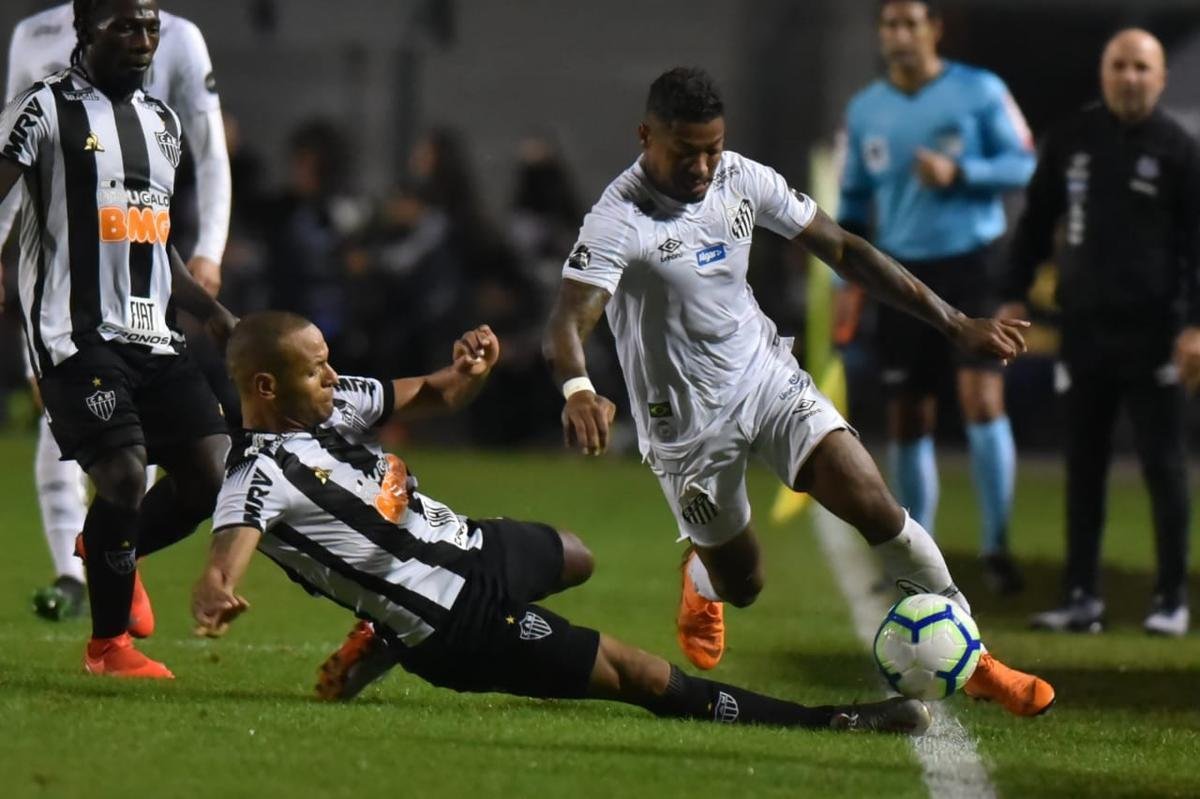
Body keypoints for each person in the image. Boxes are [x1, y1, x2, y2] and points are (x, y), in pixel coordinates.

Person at [542, 66, 1054, 717]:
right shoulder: (619, 217)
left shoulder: (742, 178)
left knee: (875, 504)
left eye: (713, 147)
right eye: (685, 150)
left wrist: (956, 322)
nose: (703, 165)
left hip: (767, 380)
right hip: (687, 427)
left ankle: (976, 658)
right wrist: (579, 387)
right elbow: (566, 319)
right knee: (744, 582)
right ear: (647, 135)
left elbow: (843, 248)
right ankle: (703, 576)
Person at [190, 310, 931, 736]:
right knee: (638, 675)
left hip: (469, 543)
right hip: (455, 620)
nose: (332, 374)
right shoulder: (258, 477)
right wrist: (217, 591)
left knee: (575, 555)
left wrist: (469, 371)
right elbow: (229, 554)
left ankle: (377, 633)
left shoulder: (334, 402)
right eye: (316, 368)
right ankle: (833, 721)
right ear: (266, 387)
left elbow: (436, 394)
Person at [0, 0, 236, 677]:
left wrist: (215, 313)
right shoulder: (40, 110)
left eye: (151, 29)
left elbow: (155, 242)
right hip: (72, 334)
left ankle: (100, 541)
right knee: (126, 472)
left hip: (153, 334)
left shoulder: (161, 124)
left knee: (209, 472)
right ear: (84, 32)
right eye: (125, 28)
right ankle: (110, 645)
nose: (143, 42)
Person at [1002, 29, 1199, 637]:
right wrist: (1013, 292)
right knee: (1082, 467)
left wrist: (1194, 326)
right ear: (1104, 72)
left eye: (1142, 67)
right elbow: (1035, 223)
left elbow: (1197, 248)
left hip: (1157, 336)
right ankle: (1081, 597)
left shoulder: (1179, 149)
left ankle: (1170, 597)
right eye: (1120, 65)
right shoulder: (1072, 141)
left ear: (1160, 77)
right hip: (1085, 333)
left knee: (1163, 466)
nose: (1130, 77)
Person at [837, 0, 1035, 594]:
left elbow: (1024, 164)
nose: (898, 35)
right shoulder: (865, 109)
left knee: (981, 399)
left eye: (909, 23)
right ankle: (918, 559)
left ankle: (996, 549)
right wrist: (846, 281)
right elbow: (850, 207)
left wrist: (962, 173)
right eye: (889, 25)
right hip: (900, 273)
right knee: (908, 415)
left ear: (934, 29)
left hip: (972, 266)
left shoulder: (979, 90)